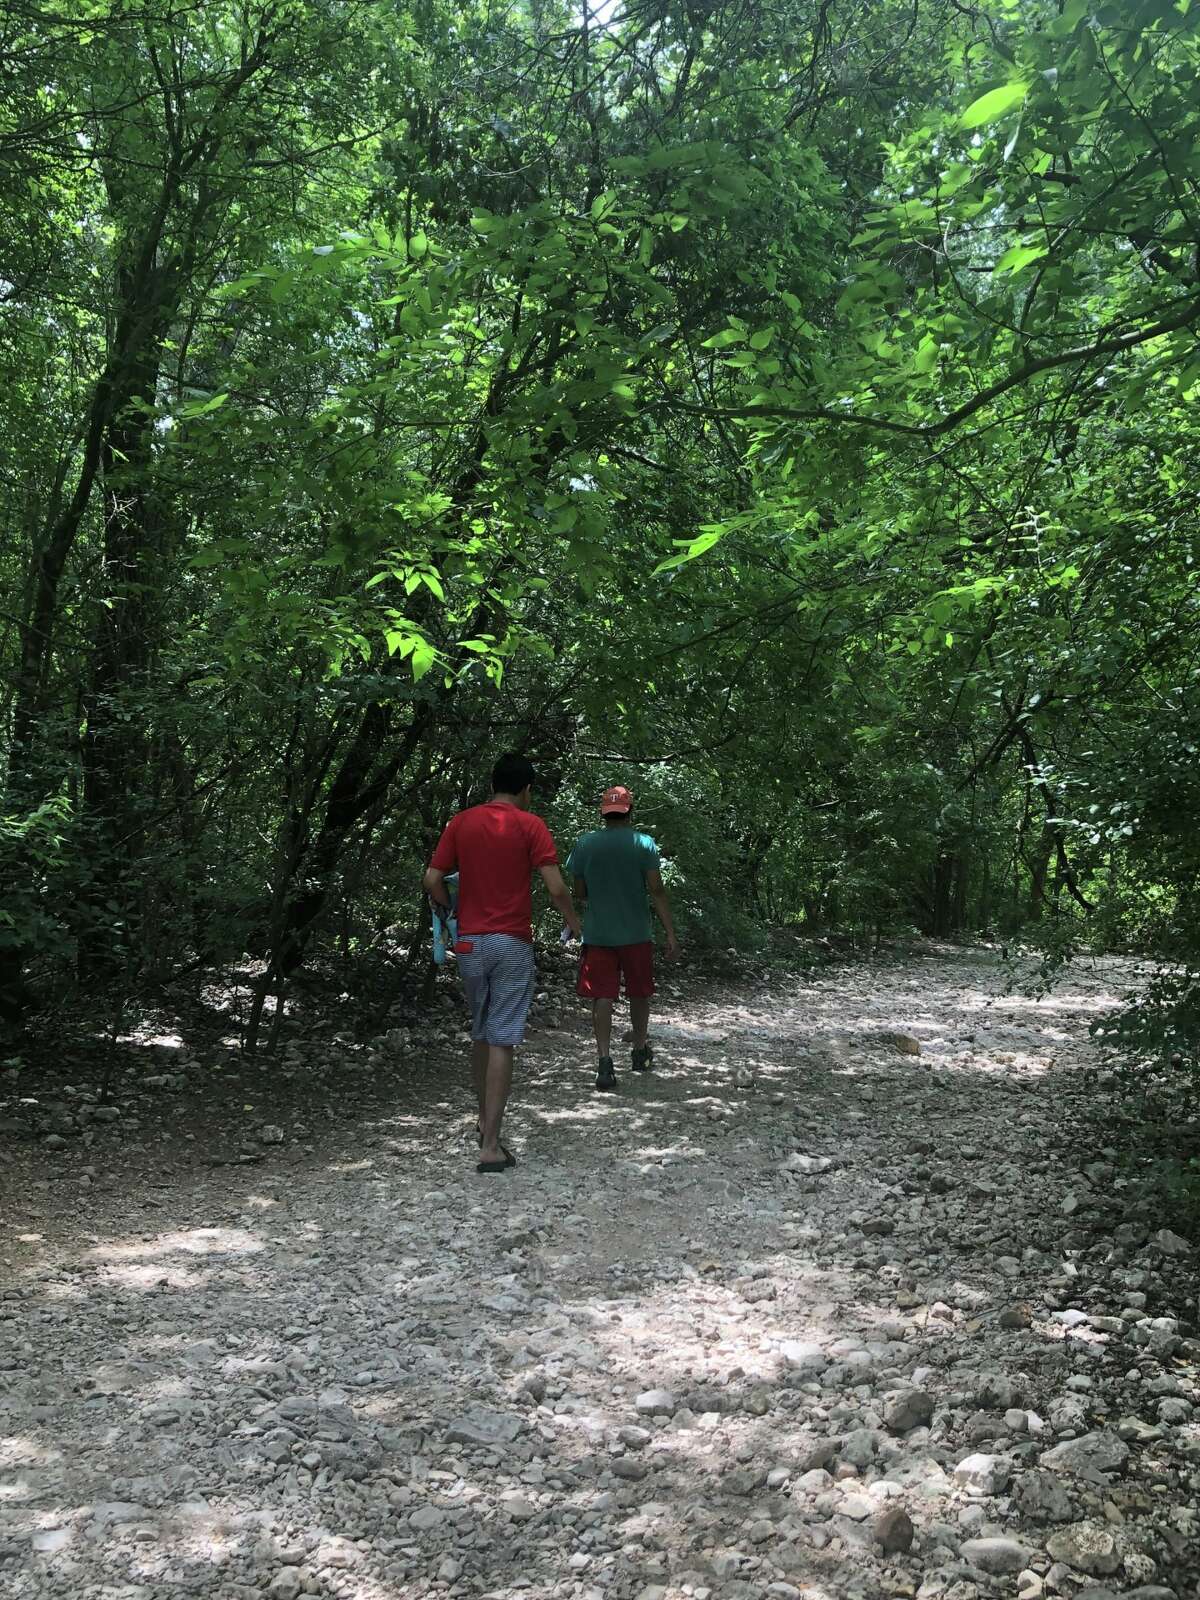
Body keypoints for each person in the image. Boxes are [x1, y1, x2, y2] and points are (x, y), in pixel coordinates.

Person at [424, 753, 581, 1174]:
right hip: (511, 943)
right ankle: (491, 1145)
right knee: (502, 1038)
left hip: (471, 945)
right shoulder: (532, 826)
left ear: (493, 783)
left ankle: (482, 1119)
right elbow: (555, 886)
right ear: (527, 789)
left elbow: (432, 879)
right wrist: (573, 922)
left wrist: (448, 914)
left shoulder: (461, 822)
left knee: (480, 1031)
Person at [566, 784, 679, 1092]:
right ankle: (639, 1051)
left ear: (604, 813)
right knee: (639, 992)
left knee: (602, 995)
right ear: (630, 810)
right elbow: (656, 889)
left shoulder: (584, 844)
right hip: (636, 932)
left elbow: (578, 891)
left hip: (599, 933)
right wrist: (670, 931)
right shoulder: (643, 843)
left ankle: (604, 1060)